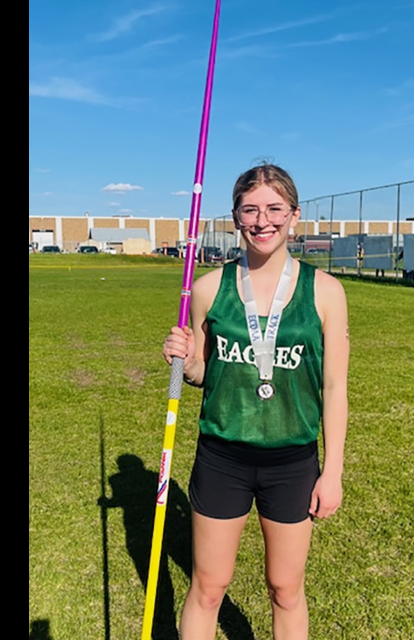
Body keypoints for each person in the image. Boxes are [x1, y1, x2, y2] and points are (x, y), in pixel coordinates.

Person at [162, 162, 350, 639]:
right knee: (208, 587)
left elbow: (334, 388)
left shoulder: (326, 292)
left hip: (292, 461)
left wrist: (332, 472)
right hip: (222, 457)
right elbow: (205, 372)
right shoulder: (209, 288)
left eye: (274, 208)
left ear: (294, 214)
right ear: (235, 217)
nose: (262, 220)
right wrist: (185, 361)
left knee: (285, 589)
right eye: (251, 210)